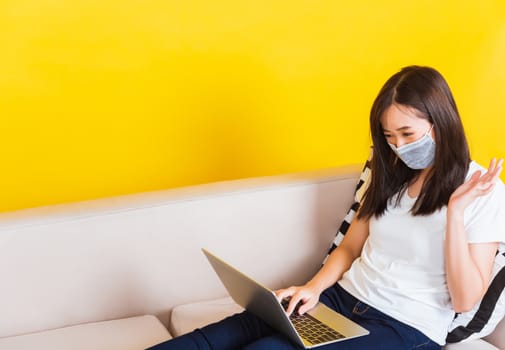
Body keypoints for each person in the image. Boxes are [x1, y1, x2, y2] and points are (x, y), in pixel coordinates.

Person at [148, 66, 505, 349]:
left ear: (440, 123)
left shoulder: (482, 191)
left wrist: (455, 214)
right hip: (343, 299)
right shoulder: (394, 175)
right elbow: (351, 247)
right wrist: (312, 289)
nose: (398, 146)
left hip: (405, 326)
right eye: (388, 136)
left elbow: (464, 298)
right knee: (218, 336)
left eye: (408, 134)